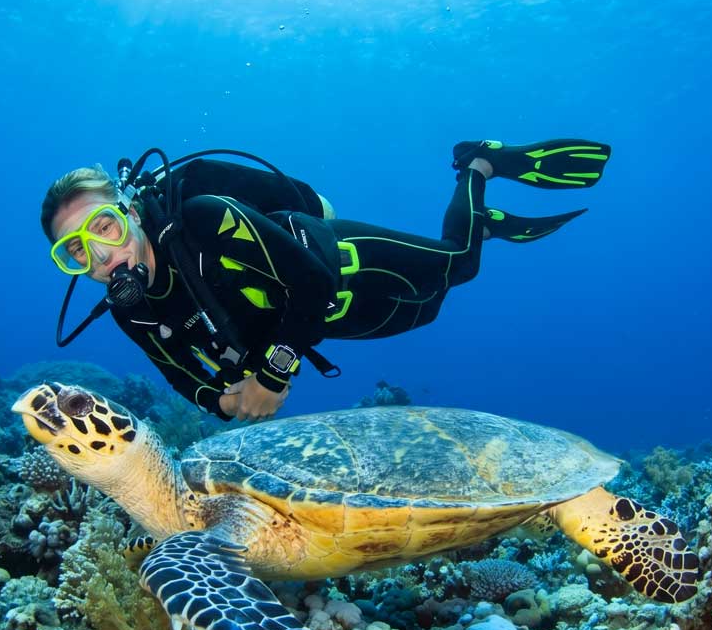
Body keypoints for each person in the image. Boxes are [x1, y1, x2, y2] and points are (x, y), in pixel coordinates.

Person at [40, 139, 610, 423]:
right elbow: (177, 371)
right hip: (331, 325)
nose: (102, 255)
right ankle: (481, 222)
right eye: (77, 251)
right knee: (431, 308)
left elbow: (312, 283)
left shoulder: (204, 219)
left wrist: (271, 374)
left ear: (130, 212)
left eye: (104, 226)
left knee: (460, 266)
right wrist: (221, 401)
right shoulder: (130, 308)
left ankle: (479, 166)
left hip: (345, 264)